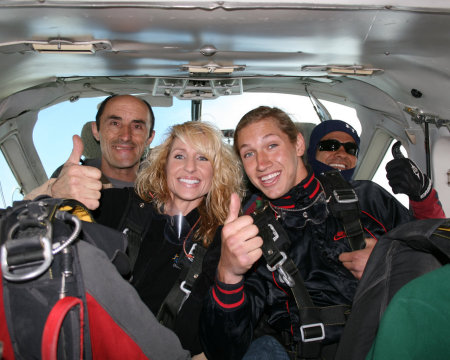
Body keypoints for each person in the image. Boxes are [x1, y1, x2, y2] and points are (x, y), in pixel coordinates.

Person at [199, 106, 436, 360]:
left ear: (299, 145)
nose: (262, 164)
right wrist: (228, 274)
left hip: (389, 342)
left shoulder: (367, 198)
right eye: (248, 154)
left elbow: (439, 259)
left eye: (271, 146)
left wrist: (388, 263)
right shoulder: (249, 237)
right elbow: (223, 350)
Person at [92, 121, 244, 357]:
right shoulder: (126, 204)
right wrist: (58, 192)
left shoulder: (222, 239)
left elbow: (223, 336)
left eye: (203, 158)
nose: (190, 168)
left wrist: (231, 275)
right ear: (164, 164)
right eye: (180, 156)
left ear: (217, 171)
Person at [25, 94, 155, 209]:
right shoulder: (68, 181)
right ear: (95, 131)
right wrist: (53, 198)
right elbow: (17, 224)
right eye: (115, 123)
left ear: (150, 137)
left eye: (137, 126)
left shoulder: (163, 188)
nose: (125, 136)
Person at [306, 119, 445, 219]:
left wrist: (422, 195)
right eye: (330, 145)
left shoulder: (372, 196)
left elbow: (431, 240)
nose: (342, 154)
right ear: (312, 152)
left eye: (351, 149)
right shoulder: (289, 196)